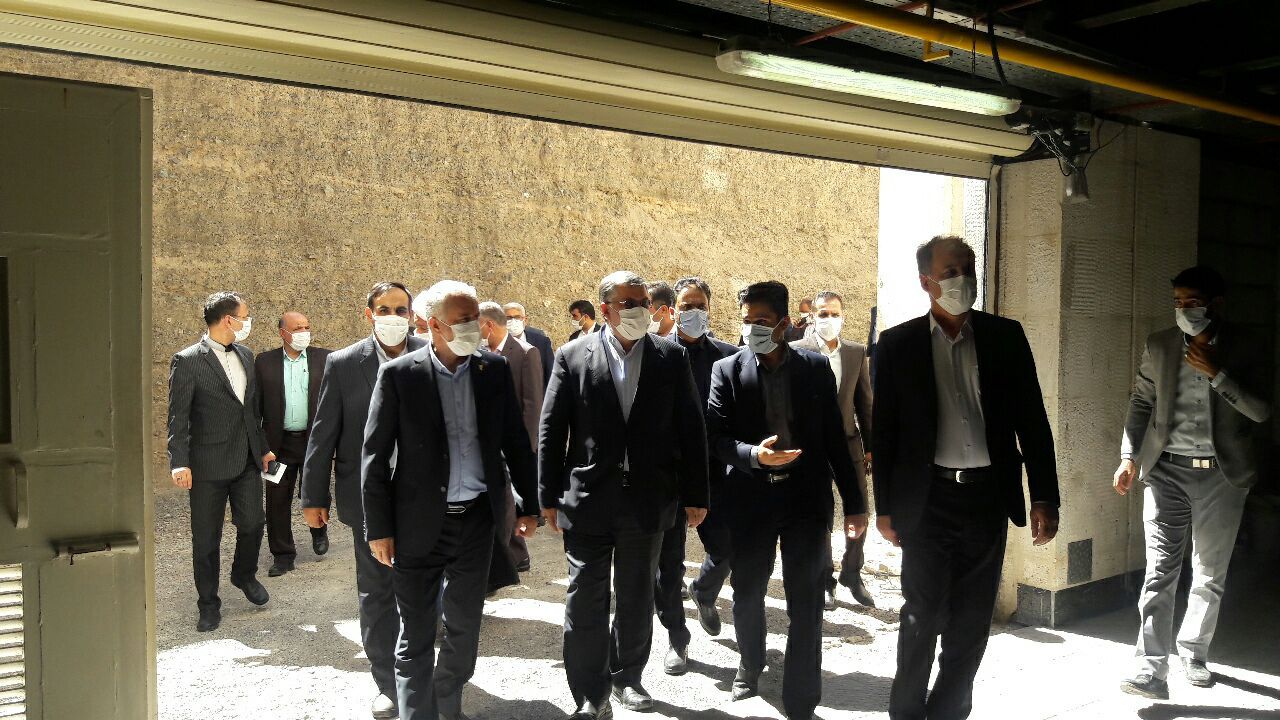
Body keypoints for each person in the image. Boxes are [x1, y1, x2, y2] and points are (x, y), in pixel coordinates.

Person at [874, 235, 1059, 720]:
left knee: (972, 621)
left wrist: (1045, 495)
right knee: (922, 615)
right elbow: (885, 432)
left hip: (987, 499)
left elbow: (1032, 421)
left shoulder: (1005, 336)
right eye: (950, 271)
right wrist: (884, 507)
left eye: (968, 268)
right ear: (926, 282)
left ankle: (948, 711)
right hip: (927, 500)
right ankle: (906, 712)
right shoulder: (897, 345)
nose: (962, 279)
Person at [364, 280, 540, 720]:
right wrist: (379, 529)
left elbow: (515, 442)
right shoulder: (400, 375)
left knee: (464, 625)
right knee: (417, 632)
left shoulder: (492, 369)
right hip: (418, 524)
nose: (474, 327)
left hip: (476, 522)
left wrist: (529, 505)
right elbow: (375, 456)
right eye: (463, 320)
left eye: (475, 318)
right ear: (435, 325)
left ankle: (448, 699)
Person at [539, 270, 708, 719]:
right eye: (628, 303)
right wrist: (547, 497)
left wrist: (697, 494)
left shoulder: (670, 357)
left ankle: (627, 677)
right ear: (606, 309)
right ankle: (590, 695)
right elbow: (552, 429)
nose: (639, 310)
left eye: (643, 302)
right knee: (584, 601)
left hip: (647, 502)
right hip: (588, 501)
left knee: (635, 598)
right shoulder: (572, 356)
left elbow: (691, 428)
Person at [707, 280, 867, 720]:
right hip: (750, 500)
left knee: (806, 600)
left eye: (761, 320)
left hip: (805, 501)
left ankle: (801, 698)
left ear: (783, 324)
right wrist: (753, 455)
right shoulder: (727, 370)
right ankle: (750, 663)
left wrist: (855, 504)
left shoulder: (814, 368)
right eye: (746, 321)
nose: (751, 329)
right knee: (748, 592)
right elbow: (715, 438)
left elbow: (835, 439)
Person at [1113, 265, 1271, 699]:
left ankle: (1194, 652)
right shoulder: (1160, 344)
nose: (1184, 310)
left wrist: (1218, 375)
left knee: (1209, 572)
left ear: (1217, 304)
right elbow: (1141, 401)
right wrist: (1128, 457)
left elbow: (1261, 411)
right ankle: (1149, 669)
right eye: (1178, 302)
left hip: (1223, 475)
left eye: (1193, 302)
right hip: (1165, 471)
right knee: (1159, 570)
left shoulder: (1249, 346)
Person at [301, 281, 426, 719]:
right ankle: (388, 684)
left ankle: (421, 675)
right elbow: (324, 432)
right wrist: (313, 495)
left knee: (424, 590)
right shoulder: (343, 363)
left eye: (401, 309)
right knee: (377, 592)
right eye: (384, 309)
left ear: (412, 315)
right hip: (368, 500)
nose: (393, 317)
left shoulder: (432, 354)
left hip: (423, 498)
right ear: (369, 313)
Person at [167, 291, 275, 633]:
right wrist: (179, 462)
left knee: (254, 523)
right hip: (206, 465)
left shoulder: (246, 354)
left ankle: (243, 574)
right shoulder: (187, 361)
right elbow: (177, 418)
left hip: (246, 460)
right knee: (206, 540)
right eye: (245, 315)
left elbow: (251, 410)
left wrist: (263, 448)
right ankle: (208, 604)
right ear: (229, 319)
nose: (248, 321)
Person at [655, 276, 739, 675]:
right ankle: (677, 638)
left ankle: (704, 591)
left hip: (714, 474)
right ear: (673, 310)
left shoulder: (729, 357)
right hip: (668, 477)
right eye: (686, 306)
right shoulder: (655, 354)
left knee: (726, 548)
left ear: (710, 309)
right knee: (668, 566)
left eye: (699, 306)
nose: (693, 312)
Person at [791, 290, 875, 609]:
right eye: (823, 313)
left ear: (843, 316)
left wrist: (871, 447)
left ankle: (852, 572)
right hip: (812, 448)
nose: (830, 319)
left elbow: (865, 404)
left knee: (860, 510)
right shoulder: (796, 351)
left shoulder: (855, 352)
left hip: (849, 444)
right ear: (812, 316)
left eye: (835, 313)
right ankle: (825, 580)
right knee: (821, 515)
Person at [255, 311, 331, 577]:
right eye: (298, 328)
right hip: (278, 446)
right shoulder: (264, 362)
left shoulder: (325, 359)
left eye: (307, 327)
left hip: (313, 443)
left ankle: (319, 531)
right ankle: (283, 555)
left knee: (315, 490)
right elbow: (255, 408)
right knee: (277, 500)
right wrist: (262, 447)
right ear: (282, 333)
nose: (304, 332)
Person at [480, 300, 545, 579]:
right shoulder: (481, 354)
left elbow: (533, 404)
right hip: (491, 443)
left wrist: (526, 448)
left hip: (515, 443)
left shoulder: (526, 352)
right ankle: (514, 556)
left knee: (511, 501)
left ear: (488, 325)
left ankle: (515, 556)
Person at [504, 301, 554, 386]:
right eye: (508, 318)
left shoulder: (541, 342)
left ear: (525, 320)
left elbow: (550, 373)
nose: (513, 321)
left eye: (517, 317)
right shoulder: (497, 342)